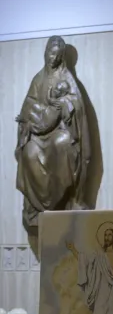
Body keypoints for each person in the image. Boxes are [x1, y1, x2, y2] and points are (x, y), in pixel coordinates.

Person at [15, 36, 91, 237]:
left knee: (64, 144)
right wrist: (33, 117)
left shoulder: (68, 79)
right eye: (50, 53)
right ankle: (36, 207)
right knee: (29, 152)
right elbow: (28, 106)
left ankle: (61, 203)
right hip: (38, 132)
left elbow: (77, 106)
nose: (53, 58)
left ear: (62, 57)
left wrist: (64, 104)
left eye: (57, 55)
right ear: (45, 52)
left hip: (59, 132)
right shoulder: (38, 80)